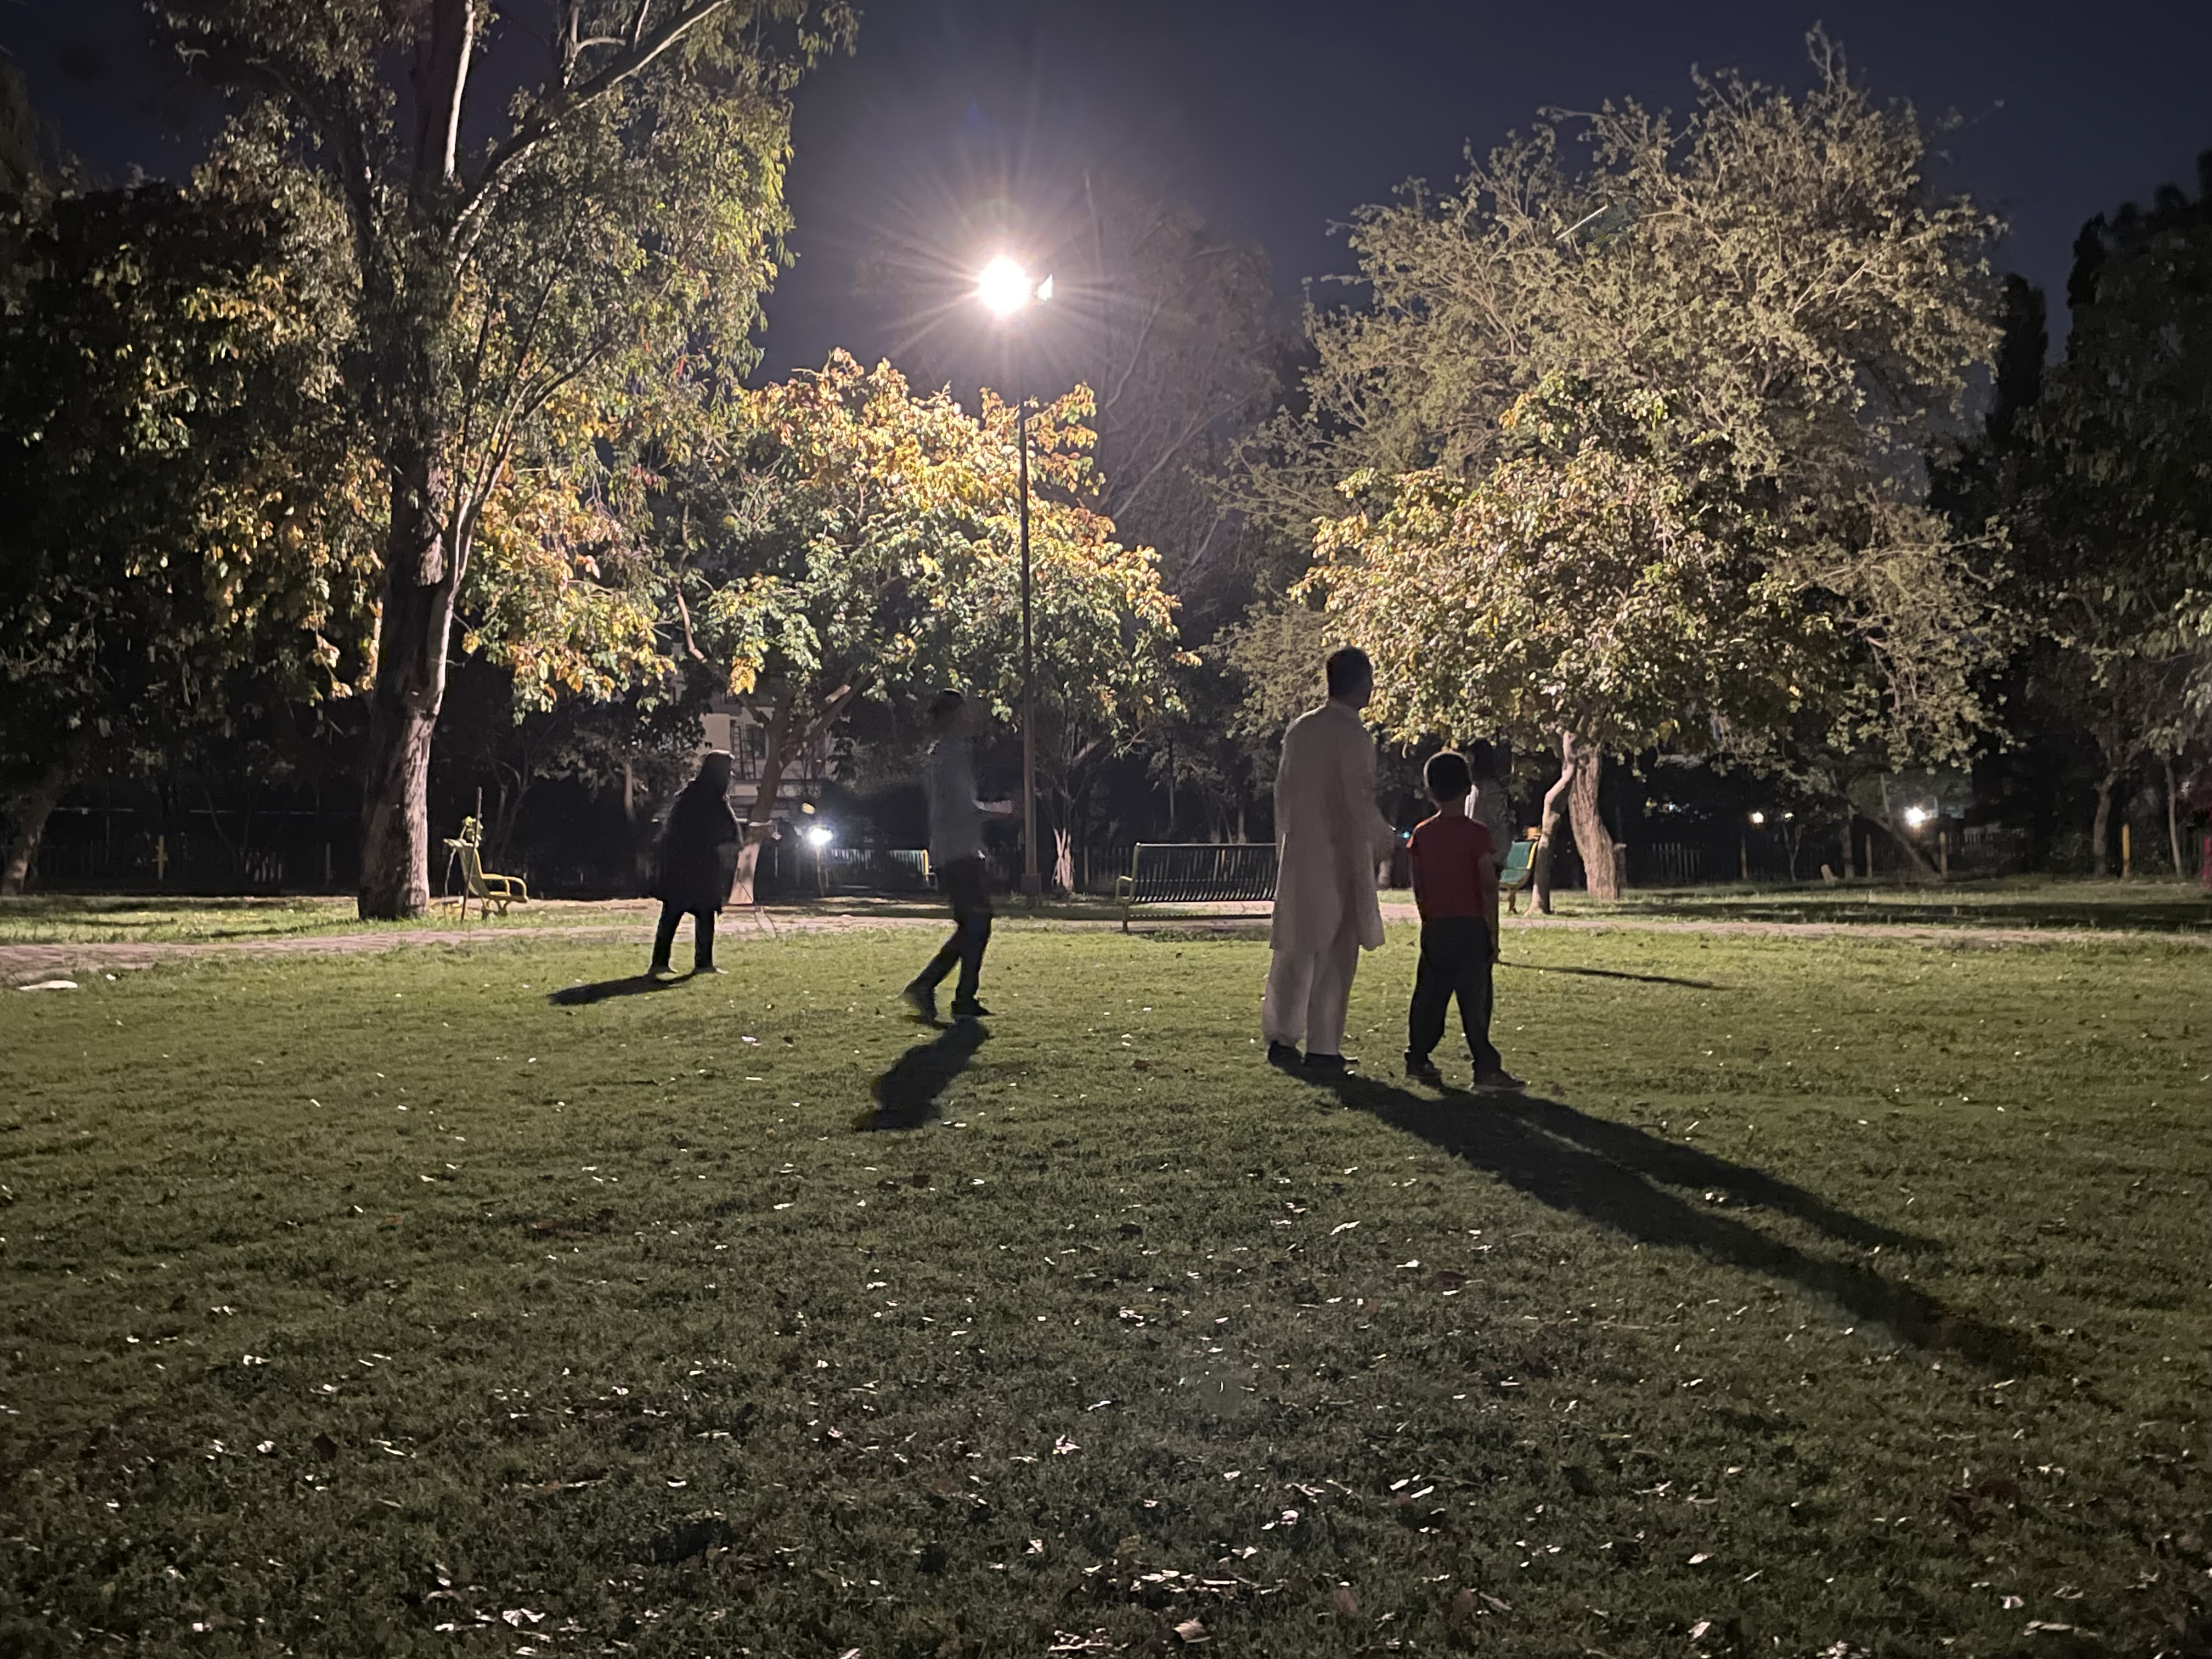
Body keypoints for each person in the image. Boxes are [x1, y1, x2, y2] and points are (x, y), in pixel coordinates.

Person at [1263, 647, 1400, 1074]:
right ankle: (1324, 1045)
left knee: (1295, 948)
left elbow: (1283, 794)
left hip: (1302, 852)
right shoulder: (1354, 737)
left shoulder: (1300, 731)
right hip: (1340, 855)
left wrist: (1285, 840)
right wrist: (1385, 840)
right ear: (1362, 683)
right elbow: (1358, 799)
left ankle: (1283, 1037)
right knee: (1337, 953)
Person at [1404, 749, 1525, 1090]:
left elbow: (1419, 886)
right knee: (1476, 1001)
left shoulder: (1422, 834)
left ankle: (1419, 1056)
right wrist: (1493, 934)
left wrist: (1428, 917)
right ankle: (1485, 1067)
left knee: (1430, 995)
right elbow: (1487, 887)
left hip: (1438, 927)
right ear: (1469, 788)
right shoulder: (1476, 834)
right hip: (1471, 927)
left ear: (1429, 791)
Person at [904, 690, 1012, 1024]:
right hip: (958, 850)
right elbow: (964, 807)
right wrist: (999, 811)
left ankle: (959, 994)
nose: (969, 719)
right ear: (951, 717)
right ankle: (936, 987)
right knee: (978, 922)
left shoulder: (944, 755)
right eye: (963, 713)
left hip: (956, 849)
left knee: (975, 923)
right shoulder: (950, 756)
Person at [648, 750, 741, 977]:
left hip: (683, 863)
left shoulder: (692, 795)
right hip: (696, 863)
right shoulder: (709, 798)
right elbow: (723, 830)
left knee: (676, 912)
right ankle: (702, 963)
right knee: (701, 912)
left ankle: (662, 962)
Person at [1465, 739, 1514, 874]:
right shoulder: (1481, 788)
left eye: (1470, 758)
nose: (1467, 763)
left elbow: (1477, 823)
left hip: (1488, 857)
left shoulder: (1487, 790)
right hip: (1487, 855)